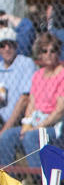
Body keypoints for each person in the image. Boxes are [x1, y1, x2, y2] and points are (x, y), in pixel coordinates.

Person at [0, 33, 64, 166]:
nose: (49, 54)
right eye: (44, 51)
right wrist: (26, 125)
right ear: (39, 54)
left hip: (55, 125)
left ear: (58, 53)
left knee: (31, 137)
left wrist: (37, 128)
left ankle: (40, 181)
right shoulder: (38, 75)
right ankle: (8, 182)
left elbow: (59, 111)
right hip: (35, 122)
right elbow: (31, 104)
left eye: (53, 51)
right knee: (7, 136)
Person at [0, 26, 37, 163]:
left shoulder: (25, 63)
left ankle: (6, 182)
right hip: (1, 120)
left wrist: (5, 129)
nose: (7, 49)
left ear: (16, 46)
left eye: (10, 44)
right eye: (2, 45)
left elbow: (24, 100)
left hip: (18, 121)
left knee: (5, 137)